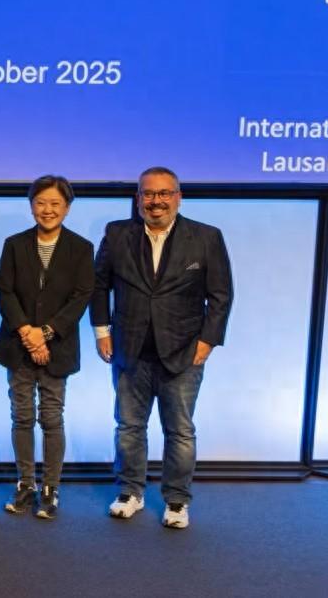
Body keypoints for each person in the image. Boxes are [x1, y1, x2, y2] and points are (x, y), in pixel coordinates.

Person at [91, 166, 233, 530]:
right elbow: (99, 286)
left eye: (164, 193)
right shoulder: (117, 233)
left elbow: (221, 295)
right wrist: (102, 332)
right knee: (129, 427)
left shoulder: (206, 237)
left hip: (184, 352)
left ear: (178, 197)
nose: (156, 201)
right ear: (138, 198)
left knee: (180, 431)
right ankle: (130, 492)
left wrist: (208, 341)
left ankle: (176, 499)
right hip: (129, 350)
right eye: (149, 194)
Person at [0, 175, 94, 520]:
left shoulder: (81, 248)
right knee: (21, 417)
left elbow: (81, 296)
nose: (47, 210)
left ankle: (51, 488)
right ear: (31, 205)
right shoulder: (15, 244)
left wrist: (46, 333)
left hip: (58, 347)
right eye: (40, 203)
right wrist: (27, 333)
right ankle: (26, 484)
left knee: (51, 417)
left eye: (55, 204)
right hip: (18, 345)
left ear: (67, 208)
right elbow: (5, 291)